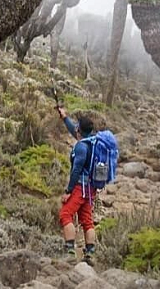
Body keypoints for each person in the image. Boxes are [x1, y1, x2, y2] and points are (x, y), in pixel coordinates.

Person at [56, 105, 98, 263]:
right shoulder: (92, 141)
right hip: (91, 189)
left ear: (80, 130)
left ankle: (70, 252)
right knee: (87, 220)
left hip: (80, 187)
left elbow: (76, 170)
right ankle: (90, 253)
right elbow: (74, 130)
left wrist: (68, 190)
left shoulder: (81, 147)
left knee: (65, 214)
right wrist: (65, 117)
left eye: (77, 128)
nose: (76, 129)